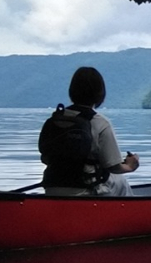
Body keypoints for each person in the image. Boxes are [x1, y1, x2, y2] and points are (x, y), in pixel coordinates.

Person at [42, 66, 140, 196]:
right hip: (86, 190)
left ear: (72, 91)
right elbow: (114, 167)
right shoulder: (100, 122)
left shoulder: (55, 120)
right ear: (100, 94)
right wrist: (130, 166)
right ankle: (130, 214)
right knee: (120, 181)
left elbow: (46, 159)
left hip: (52, 187)